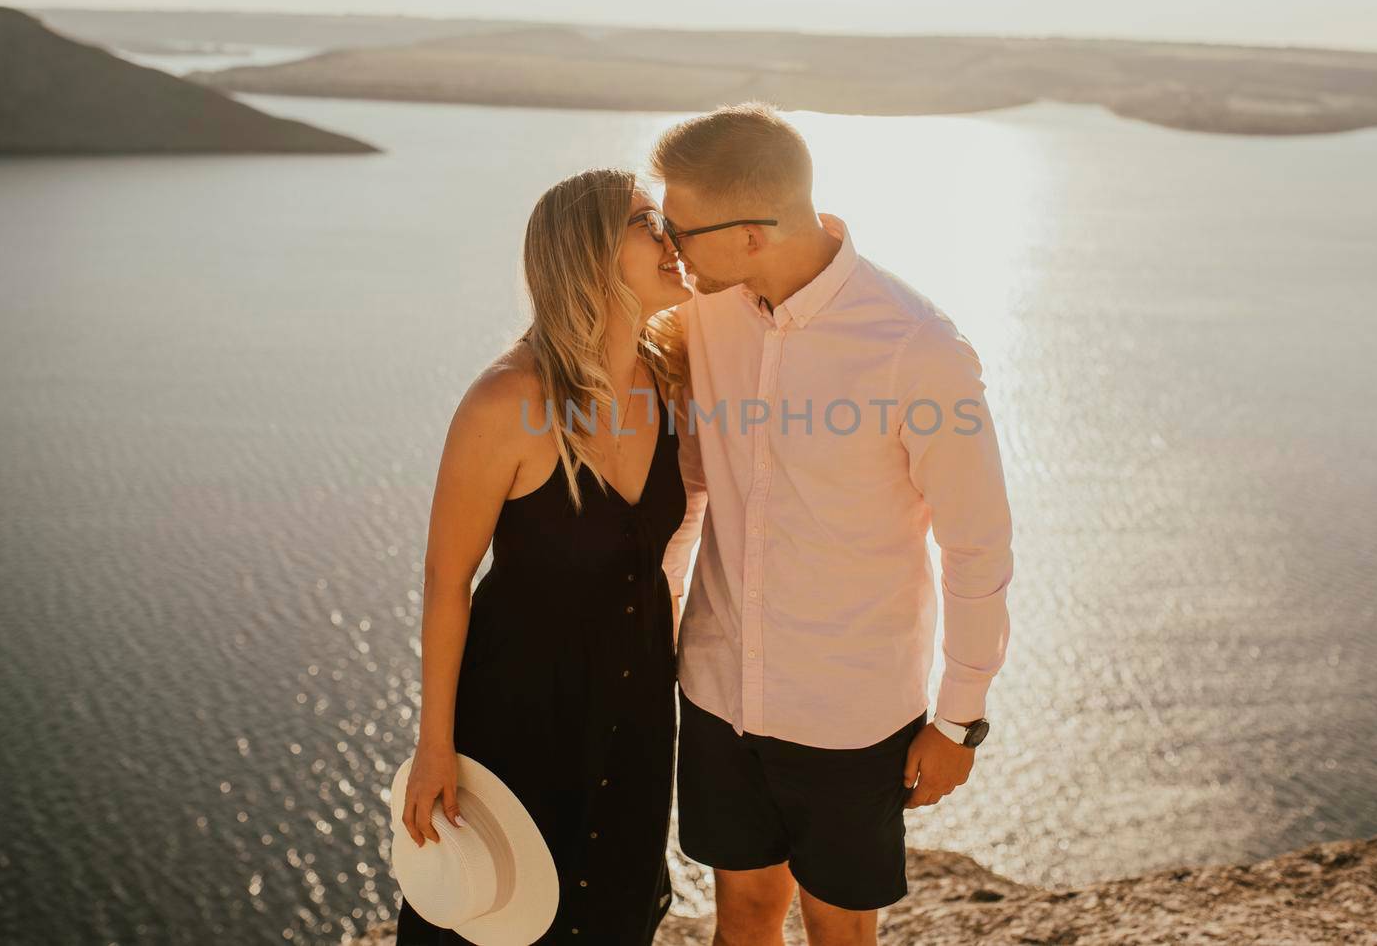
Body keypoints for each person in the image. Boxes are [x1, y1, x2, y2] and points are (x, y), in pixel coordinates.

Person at [652, 103, 1016, 946]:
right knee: (740, 915)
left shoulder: (916, 346)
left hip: (849, 712)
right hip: (716, 691)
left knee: (841, 929)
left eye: (681, 229)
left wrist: (960, 717)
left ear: (751, 233)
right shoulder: (705, 314)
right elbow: (696, 487)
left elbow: (976, 543)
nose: (670, 249)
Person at [394, 168, 697, 945]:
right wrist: (435, 746)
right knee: (494, 917)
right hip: (519, 715)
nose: (672, 240)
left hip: (635, 710)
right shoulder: (508, 400)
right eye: (646, 223)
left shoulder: (669, 381)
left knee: (614, 916)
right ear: (589, 253)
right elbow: (445, 580)